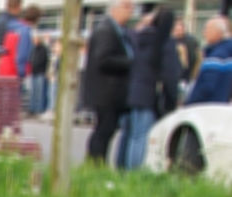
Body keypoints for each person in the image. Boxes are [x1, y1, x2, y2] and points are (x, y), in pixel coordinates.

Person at [119, 7, 178, 170]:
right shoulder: (165, 42)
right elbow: (170, 74)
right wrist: (171, 100)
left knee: (132, 136)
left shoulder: (139, 38)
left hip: (132, 92)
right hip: (149, 93)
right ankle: (136, 173)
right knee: (143, 136)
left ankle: (126, 169)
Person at [83, 0, 135, 165]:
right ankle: (95, 163)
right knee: (103, 130)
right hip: (106, 91)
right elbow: (103, 60)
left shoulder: (121, 31)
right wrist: (130, 62)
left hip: (113, 91)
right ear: (115, 9)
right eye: (127, 7)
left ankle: (96, 162)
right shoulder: (106, 30)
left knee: (107, 130)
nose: (131, 12)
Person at [186, 16, 232, 104]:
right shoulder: (227, 52)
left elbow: (207, 86)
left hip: (208, 108)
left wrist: (190, 104)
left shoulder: (217, 56)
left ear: (218, 32)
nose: (204, 33)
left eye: (207, 29)